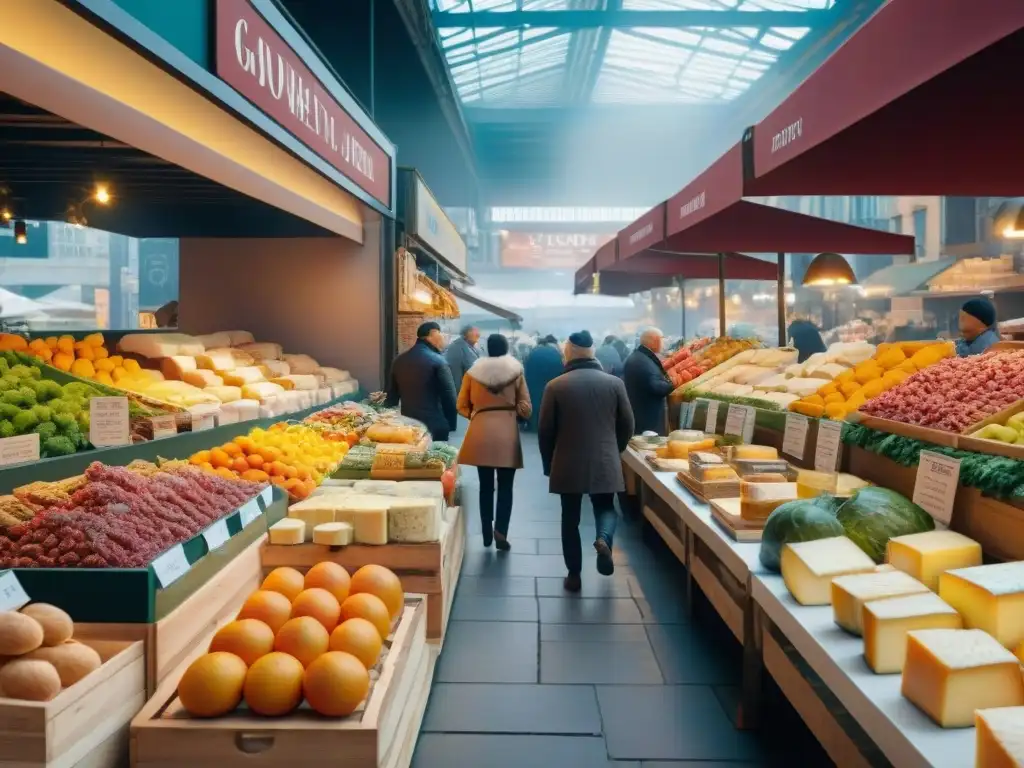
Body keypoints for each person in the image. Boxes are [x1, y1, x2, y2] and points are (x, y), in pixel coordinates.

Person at [539, 331, 634, 592]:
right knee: (605, 507)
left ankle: (574, 575)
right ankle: (603, 539)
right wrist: (616, 449)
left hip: (567, 461)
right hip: (605, 457)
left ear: (568, 353)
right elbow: (628, 424)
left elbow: (545, 430)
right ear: (593, 353)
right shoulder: (615, 384)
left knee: (569, 518)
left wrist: (549, 464)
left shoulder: (556, 386)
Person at [456, 334, 531, 550]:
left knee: (486, 485)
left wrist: (476, 415)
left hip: (481, 429)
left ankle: (486, 531)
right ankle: (501, 531)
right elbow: (525, 406)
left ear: (487, 349)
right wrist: (515, 411)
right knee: (506, 486)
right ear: (507, 348)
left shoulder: (473, 372)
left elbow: (461, 404)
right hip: (507, 431)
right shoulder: (516, 371)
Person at [385, 322, 457, 441]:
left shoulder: (399, 360)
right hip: (435, 425)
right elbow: (449, 395)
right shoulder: (439, 361)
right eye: (440, 333)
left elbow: (391, 395)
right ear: (432, 334)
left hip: (408, 425)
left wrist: (388, 422)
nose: (443, 338)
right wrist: (450, 425)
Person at [622, 327, 674, 435]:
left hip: (641, 413)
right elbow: (656, 387)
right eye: (662, 339)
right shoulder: (642, 362)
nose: (664, 343)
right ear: (654, 341)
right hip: (647, 419)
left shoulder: (639, 357)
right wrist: (673, 383)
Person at [523, 334, 563, 432]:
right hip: (553, 381)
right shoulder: (557, 353)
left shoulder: (533, 351)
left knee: (535, 400)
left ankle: (533, 425)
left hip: (533, 382)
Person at [445, 325, 481, 393]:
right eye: (475, 332)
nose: (478, 335)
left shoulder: (471, 347)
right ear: (466, 334)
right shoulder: (456, 348)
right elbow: (455, 375)